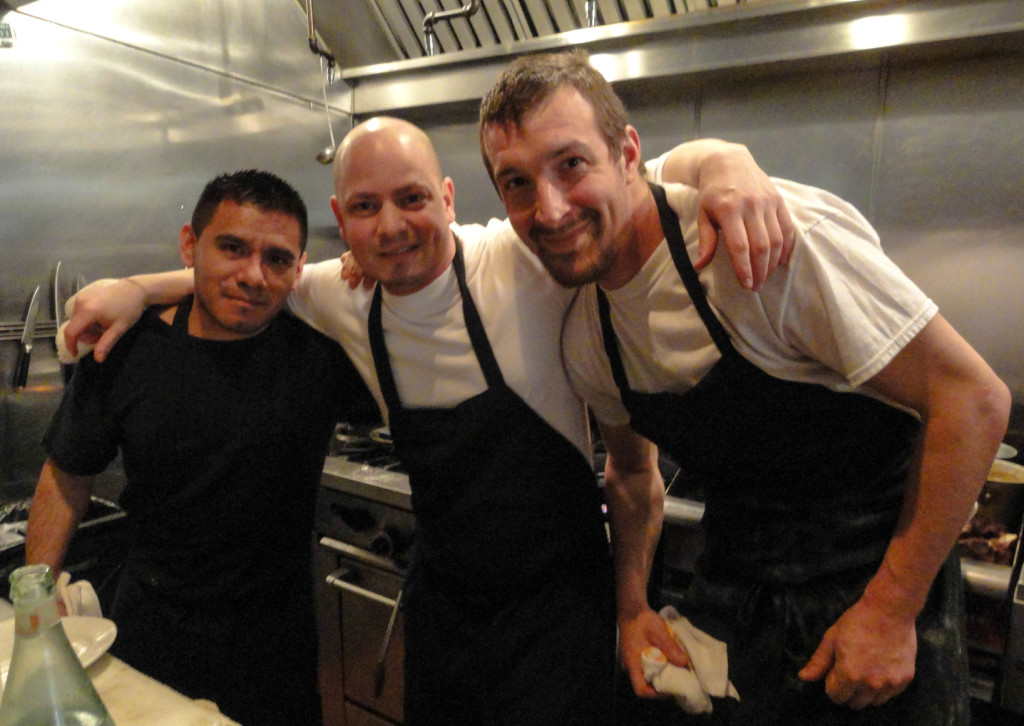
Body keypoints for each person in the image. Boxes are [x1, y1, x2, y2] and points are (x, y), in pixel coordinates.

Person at [57, 125, 793, 725]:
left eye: (411, 199)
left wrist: (728, 159)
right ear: (343, 223)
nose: (393, 226)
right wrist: (136, 287)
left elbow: (630, 182)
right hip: (443, 611)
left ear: (445, 198)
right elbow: (252, 278)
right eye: (367, 207)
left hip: (556, 615)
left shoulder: (524, 259)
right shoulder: (336, 296)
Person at [477, 50, 1012, 724]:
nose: (548, 208)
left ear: (627, 153)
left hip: (877, 592)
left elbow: (973, 398)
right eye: (517, 183)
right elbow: (635, 474)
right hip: (740, 601)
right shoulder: (589, 336)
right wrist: (633, 607)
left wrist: (890, 609)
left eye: (571, 164)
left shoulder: (762, 244)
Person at [25, 170, 376, 726]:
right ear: (190, 245)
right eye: (231, 248)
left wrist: (371, 268)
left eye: (277, 259)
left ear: (299, 267)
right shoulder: (127, 348)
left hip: (275, 636)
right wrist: (35, 600)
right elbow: (68, 474)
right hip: (153, 622)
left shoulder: (321, 357)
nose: (252, 276)